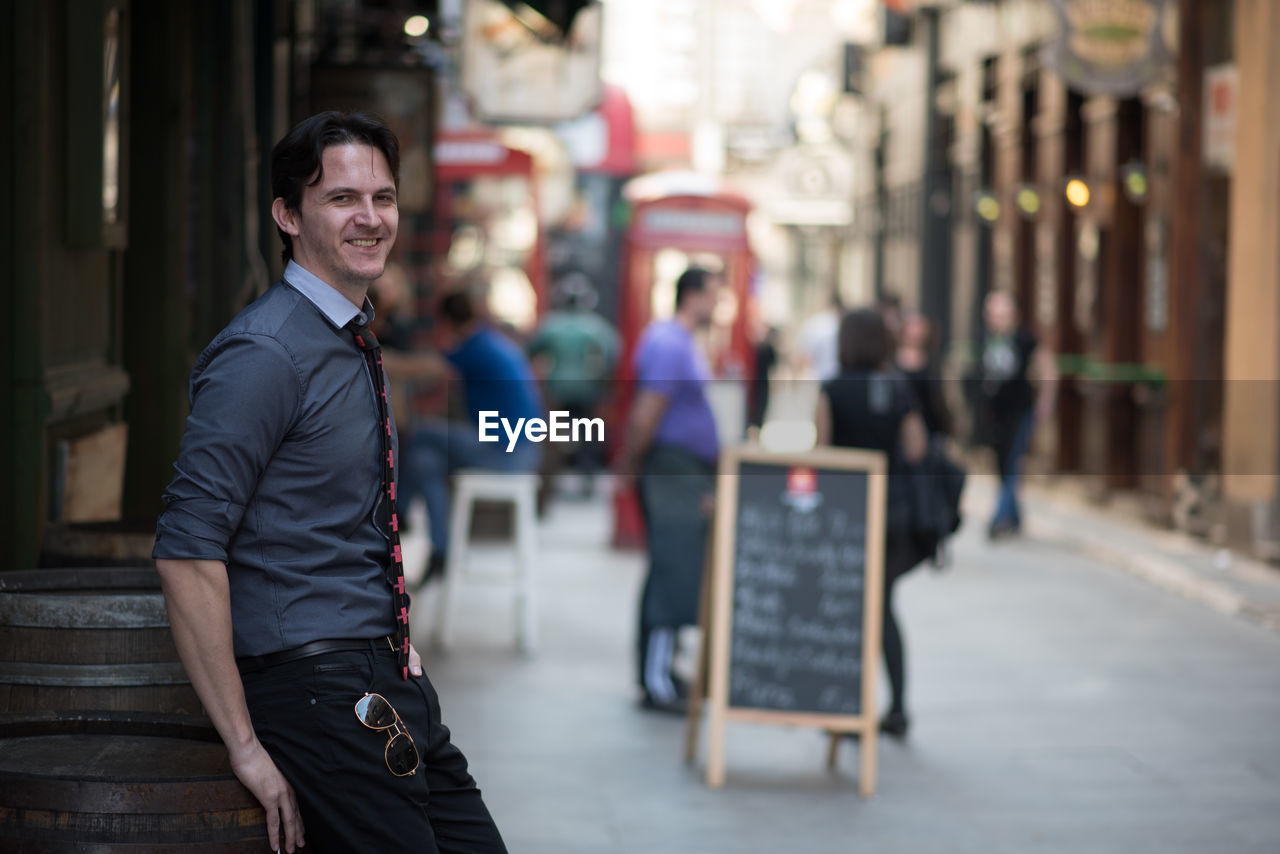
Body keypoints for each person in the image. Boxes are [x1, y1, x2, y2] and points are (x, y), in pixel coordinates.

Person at [152, 111, 507, 854]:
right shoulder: (265, 352)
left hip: (381, 673)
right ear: (287, 214)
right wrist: (246, 747)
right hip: (315, 694)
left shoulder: (346, 335)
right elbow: (187, 550)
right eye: (342, 198)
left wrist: (397, 640)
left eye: (383, 197)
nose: (370, 218)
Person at [816, 308, 928, 738]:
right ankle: (897, 705)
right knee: (881, 606)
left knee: (850, 608)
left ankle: (844, 708)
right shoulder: (897, 387)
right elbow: (916, 448)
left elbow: (822, 451)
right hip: (895, 512)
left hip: (848, 514)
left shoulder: (833, 388)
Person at [620, 267, 721, 714]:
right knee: (671, 570)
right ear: (693, 296)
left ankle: (665, 670)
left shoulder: (683, 342)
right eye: (715, 295)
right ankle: (655, 680)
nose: (720, 305)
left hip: (686, 469)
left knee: (680, 567)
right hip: (670, 468)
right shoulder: (668, 342)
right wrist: (630, 462)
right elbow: (648, 411)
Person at [407, 287, 544, 584]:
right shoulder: (491, 342)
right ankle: (440, 550)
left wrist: (376, 356)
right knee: (425, 460)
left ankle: (399, 513)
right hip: (519, 448)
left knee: (418, 433)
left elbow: (425, 368)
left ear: (445, 322)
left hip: (506, 452)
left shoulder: (474, 348)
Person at [527, 271, 619, 496]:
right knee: (587, 434)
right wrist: (602, 374)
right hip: (587, 387)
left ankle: (550, 483)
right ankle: (587, 479)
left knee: (555, 436)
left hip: (557, 388)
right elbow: (613, 351)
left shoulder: (551, 324)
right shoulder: (595, 325)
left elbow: (532, 350)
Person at [977, 290, 1058, 539]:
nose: (998, 320)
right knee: (1003, 466)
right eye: (993, 314)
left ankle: (1000, 518)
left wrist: (1045, 402)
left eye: (1003, 314)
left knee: (1012, 464)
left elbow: (1048, 368)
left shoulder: (1024, 339)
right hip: (995, 414)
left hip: (1020, 411)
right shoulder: (987, 339)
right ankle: (1015, 517)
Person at [896, 311, 952, 439]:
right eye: (913, 326)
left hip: (931, 423)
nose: (916, 331)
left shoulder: (934, 362)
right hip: (903, 424)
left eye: (920, 326)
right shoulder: (892, 362)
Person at [797, 290, 842, 382]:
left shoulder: (815, 323)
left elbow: (803, 356)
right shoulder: (842, 324)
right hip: (838, 378)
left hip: (819, 377)